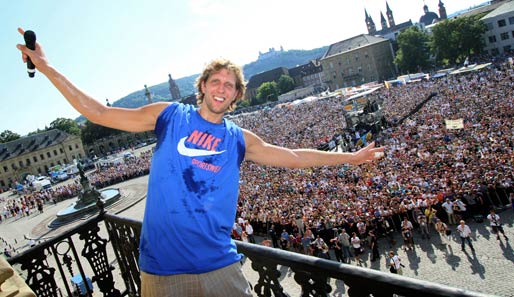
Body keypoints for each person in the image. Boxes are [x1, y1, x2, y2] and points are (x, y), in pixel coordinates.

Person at [16, 28, 384, 297]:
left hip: (220, 266)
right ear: (203, 85)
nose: (222, 88)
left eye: (230, 84)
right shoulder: (170, 116)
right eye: (216, 81)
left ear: (237, 95)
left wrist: (350, 157)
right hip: (163, 270)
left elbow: (293, 157)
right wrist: (46, 67)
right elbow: (97, 111)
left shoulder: (238, 138)